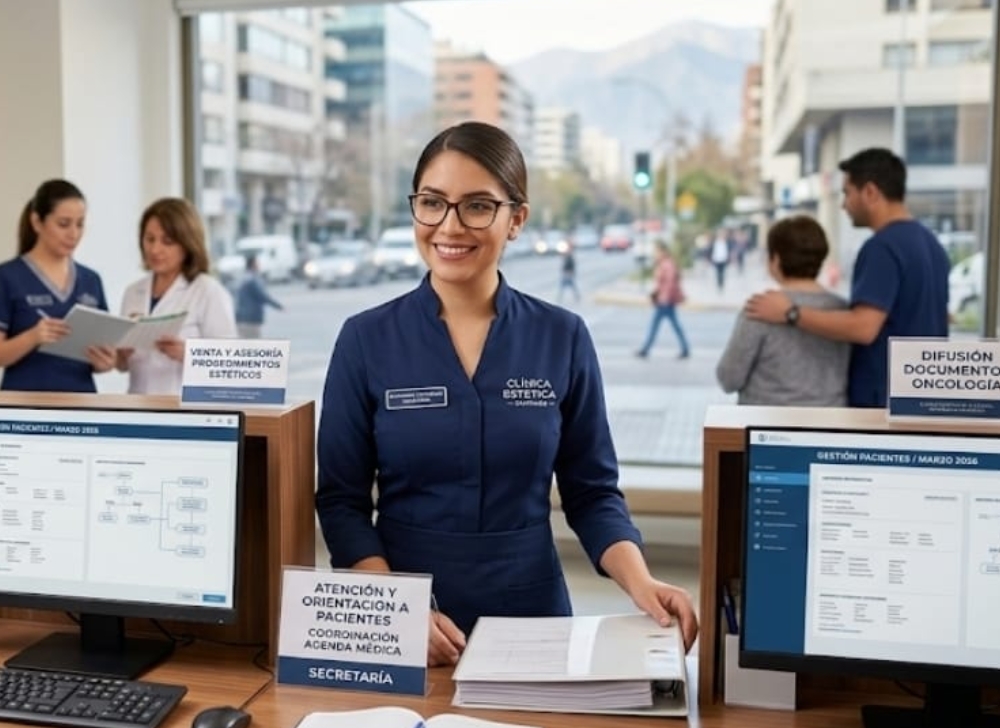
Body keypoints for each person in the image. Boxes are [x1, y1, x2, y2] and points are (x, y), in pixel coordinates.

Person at [315, 121, 697, 668]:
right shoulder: (365, 339)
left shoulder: (561, 337)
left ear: (516, 219)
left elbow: (592, 493)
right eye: (433, 202)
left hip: (531, 615)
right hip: (404, 617)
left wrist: (641, 583)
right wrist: (394, 609)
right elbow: (342, 502)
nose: (450, 225)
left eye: (477, 206)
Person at [745, 148, 949, 408]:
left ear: (870, 192)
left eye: (847, 193)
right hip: (919, 399)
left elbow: (863, 328)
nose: (843, 205)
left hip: (881, 403)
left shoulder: (883, 248)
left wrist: (790, 313)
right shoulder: (930, 244)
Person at [716, 216, 850, 405]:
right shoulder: (845, 312)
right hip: (829, 425)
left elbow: (729, 378)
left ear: (775, 259)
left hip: (765, 425)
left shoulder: (760, 309)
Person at [0, 179, 116, 392]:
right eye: (64, 224)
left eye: (80, 224)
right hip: (25, 408)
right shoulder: (7, 277)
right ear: (37, 222)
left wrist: (105, 363)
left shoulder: (91, 280)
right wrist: (33, 337)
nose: (73, 234)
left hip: (81, 407)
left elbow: (100, 353)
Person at [117, 197, 237, 394]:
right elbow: (123, 366)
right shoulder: (133, 292)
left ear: (187, 244)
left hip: (186, 410)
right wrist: (121, 354)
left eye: (167, 241)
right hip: (137, 407)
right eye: (149, 239)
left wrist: (188, 354)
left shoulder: (208, 291)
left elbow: (230, 367)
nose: (155, 249)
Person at [635, 241, 690, 360]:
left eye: (657, 251)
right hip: (664, 300)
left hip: (665, 301)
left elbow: (670, 284)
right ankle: (685, 348)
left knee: (656, 325)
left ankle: (645, 349)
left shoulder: (667, 264)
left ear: (663, 251)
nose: (655, 254)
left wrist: (664, 298)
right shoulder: (664, 263)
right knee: (673, 325)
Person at [235, 254, 283, 338]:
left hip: (241, 318)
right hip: (251, 318)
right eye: (257, 263)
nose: (259, 265)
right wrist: (278, 306)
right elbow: (262, 296)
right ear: (253, 265)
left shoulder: (242, 278)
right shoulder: (252, 280)